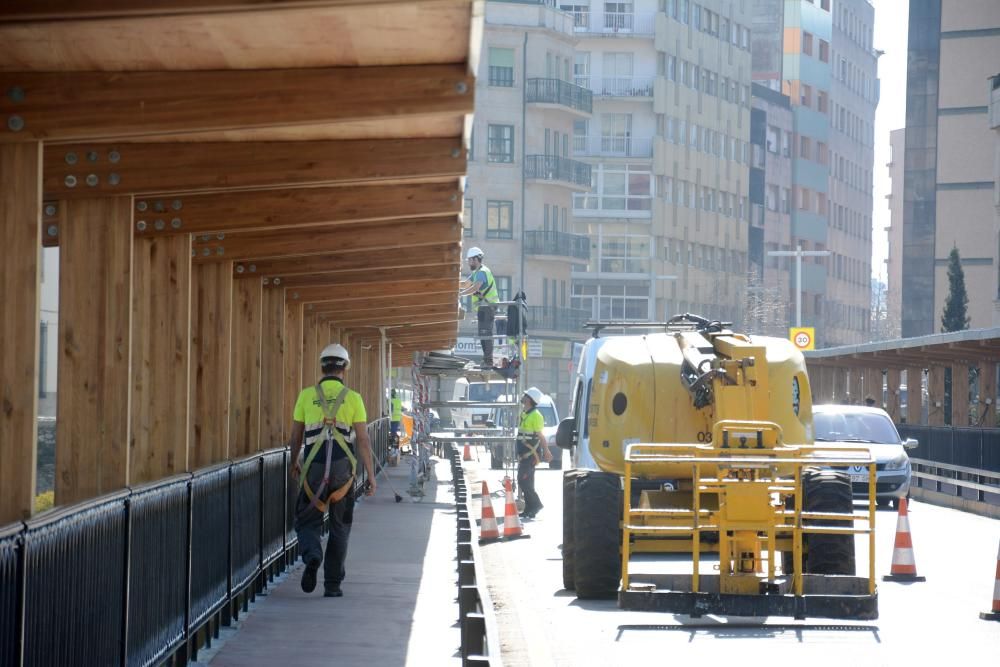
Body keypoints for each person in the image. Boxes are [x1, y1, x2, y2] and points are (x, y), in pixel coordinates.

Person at [286, 343, 376, 598]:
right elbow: (363, 440)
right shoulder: (354, 398)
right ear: (344, 368)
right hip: (342, 473)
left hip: (313, 471)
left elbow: (295, 436)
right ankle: (333, 584)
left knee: (306, 520)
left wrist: (294, 461)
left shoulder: (306, 396)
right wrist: (369, 475)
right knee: (340, 527)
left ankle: (313, 554)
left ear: (322, 367)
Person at [459, 247, 500, 368]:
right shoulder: (476, 273)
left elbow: (475, 287)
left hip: (488, 306)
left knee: (485, 333)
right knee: (483, 334)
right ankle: (486, 361)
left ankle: (488, 362)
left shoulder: (482, 272)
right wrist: (452, 284)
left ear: (476, 259)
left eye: (470, 260)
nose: (468, 262)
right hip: (484, 307)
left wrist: (461, 294)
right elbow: (466, 284)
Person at [516, 387, 551, 519]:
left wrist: (546, 451)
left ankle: (535, 505)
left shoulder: (536, 415)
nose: (523, 397)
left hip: (530, 455)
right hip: (524, 454)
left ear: (530, 399)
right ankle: (529, 509)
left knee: (523, 480)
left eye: (526, 395)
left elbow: (540, 436)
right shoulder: (525, 413)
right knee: (527, 482)